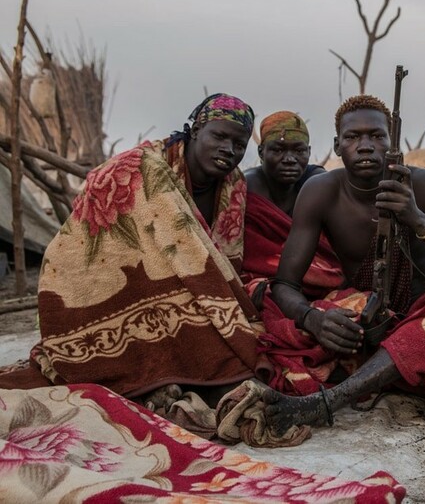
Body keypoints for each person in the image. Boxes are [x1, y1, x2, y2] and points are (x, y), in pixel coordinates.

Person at [0, 93, 270, 426]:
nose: (229, 149)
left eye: (239, 144)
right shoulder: (144, 167)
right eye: (220, 136)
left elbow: (219, 259)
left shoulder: (234, 184)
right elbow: (104, 243)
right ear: (195, 130)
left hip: (175, 281)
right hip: (105, 282)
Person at [259, 94, 425, 437]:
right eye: (352, 137)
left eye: (377, 136)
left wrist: (418, 219)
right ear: (337, 145)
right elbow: (285, 285)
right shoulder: (321, 192)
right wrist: (313, 319)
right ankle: (392, 367)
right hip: (365, 323)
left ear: (393, 142)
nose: (365, 146)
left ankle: (330, 400)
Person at [241, 111, 342, 309]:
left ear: (308, 152)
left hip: (317, 279)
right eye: (278, 150)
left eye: (298, 150)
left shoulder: (316, 181)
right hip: (265, 282)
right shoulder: (247, 188)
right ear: (261, 152)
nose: (289, 159)